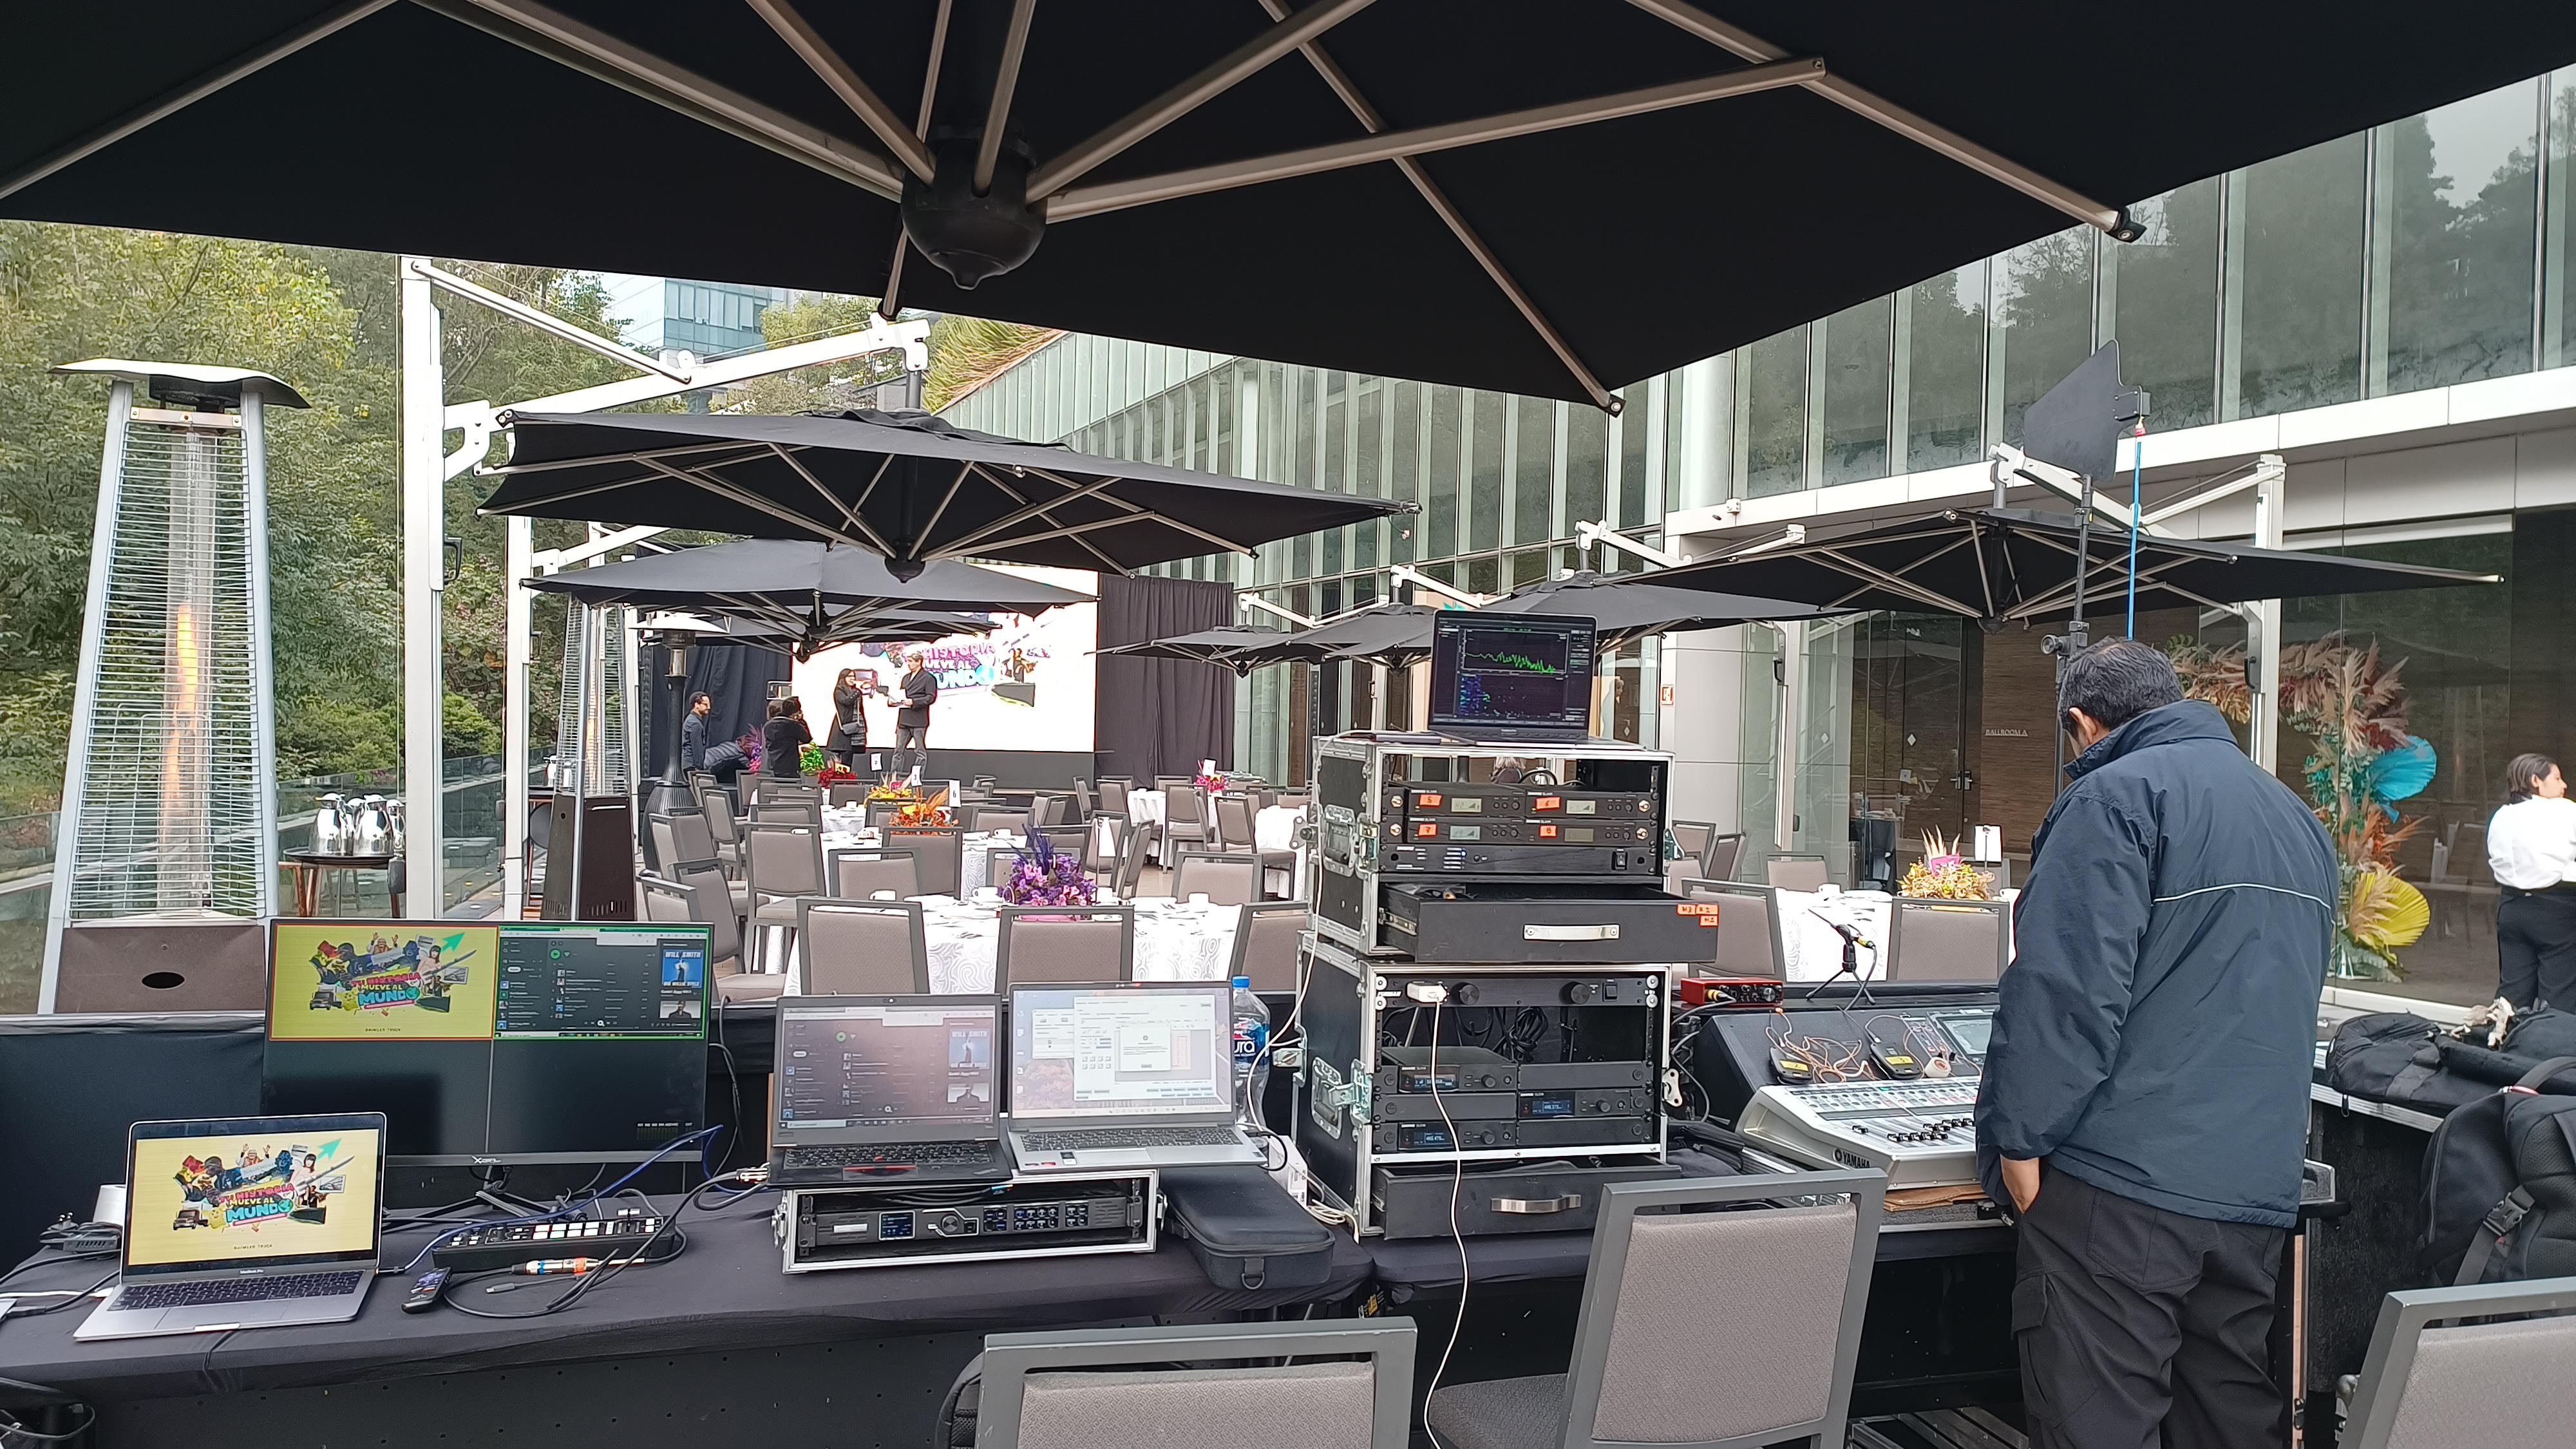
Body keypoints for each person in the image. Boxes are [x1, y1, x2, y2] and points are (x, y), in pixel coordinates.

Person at [1975, 638, 2337, 1449]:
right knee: (2225, 1419)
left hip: (2121, 1183)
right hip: (2254, 1183)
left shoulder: (2112, 797)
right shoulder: (2296, 818)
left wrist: (2016, 1141)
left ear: (2081, 723)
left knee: (2097, 1422)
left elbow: (2065, 990)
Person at [2487, 752, 2576, 1008]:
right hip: (2555, 909)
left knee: (2512, 997)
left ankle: (2505, 1032)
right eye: (2557, 778)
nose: (2564, 785)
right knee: (2558, 996)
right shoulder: (2563, 809)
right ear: (2536, 780)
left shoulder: (2502, 815)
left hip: (2511, 909)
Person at [893, 647, 938, 779]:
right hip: (904, 718)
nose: (909, 664)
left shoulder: (928, 678)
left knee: (919, 751)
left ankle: (917, 778)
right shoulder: (906, 678)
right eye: (908, 661)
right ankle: (894, 778)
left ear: (919, 662)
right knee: (898, 751)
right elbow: (901, 694)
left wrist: (914, 702)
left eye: (911, 661)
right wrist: (894, 701)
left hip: (918, 720)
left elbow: (930, 698)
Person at [827, 667, 868, 772]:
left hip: (855, 726)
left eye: (854, 676)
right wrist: (857, 692)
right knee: (845, 755)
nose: (852, 678)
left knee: (850, 754)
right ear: (843, 678)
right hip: (845, 727)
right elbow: (846, 701)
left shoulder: (854, 691)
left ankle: (848, 777)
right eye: (850, 676)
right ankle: (843, 778)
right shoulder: (839, 691)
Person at [761, 697, 811, 780]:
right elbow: (806, 738)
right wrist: (801, 721)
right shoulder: (793, 725)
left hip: (772, 768)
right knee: (791, 788)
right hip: (789, 769)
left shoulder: (768, 726)